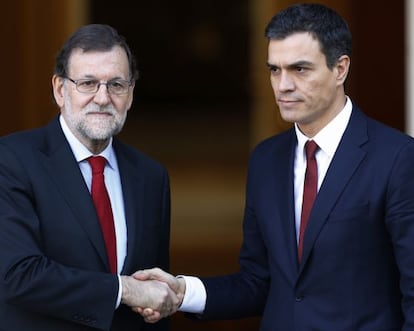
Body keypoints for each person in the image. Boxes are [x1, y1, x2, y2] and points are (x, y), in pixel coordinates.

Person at [134, 3, 414, 330]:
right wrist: (183, 292)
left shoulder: (397, 158)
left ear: (340, 69)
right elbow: (258, 282)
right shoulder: (266, 159)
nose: (283, 86)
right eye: (274, 70)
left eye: (300, 69)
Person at [0, 24, 180, 331]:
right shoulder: (12, 160)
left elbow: (154, 294)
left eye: (116, 85)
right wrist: (125, 290)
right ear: (60, 89)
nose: (102, 98)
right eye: (87, 83)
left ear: (131, 93)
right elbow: (18, 275)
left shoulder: (150, 177)